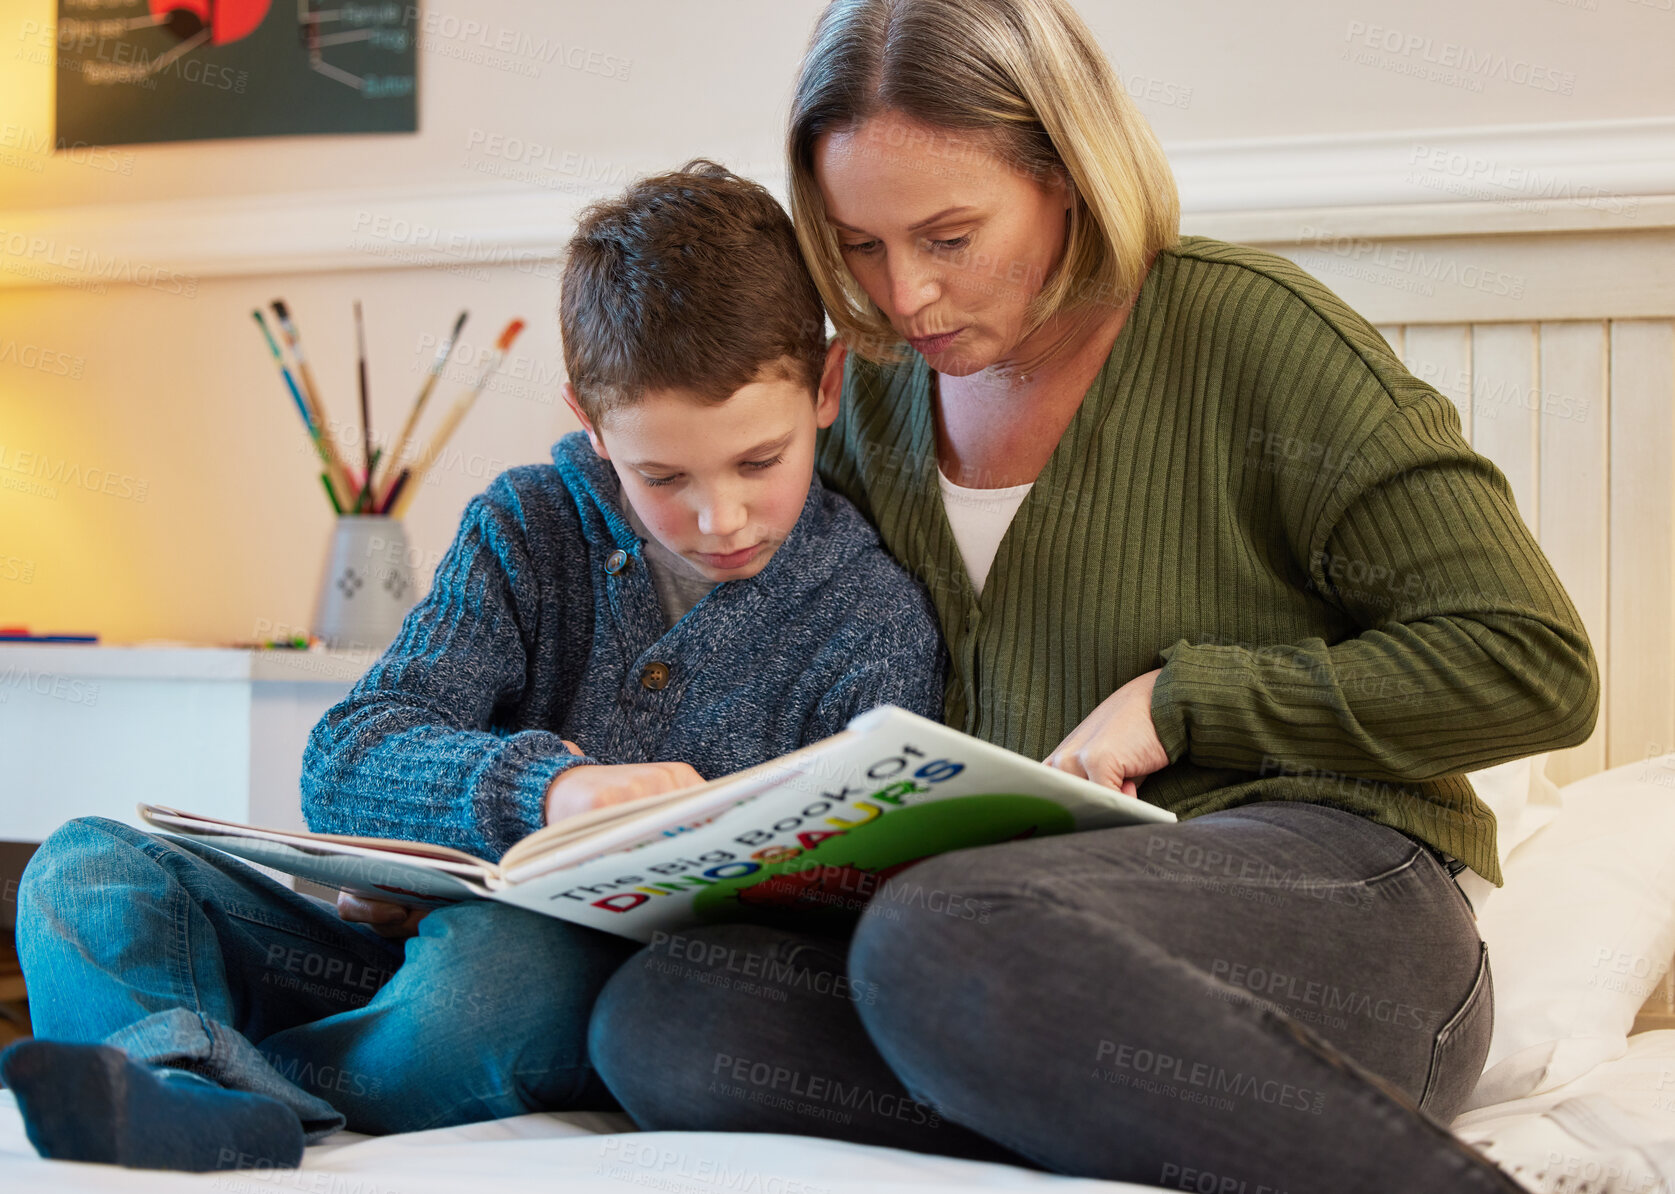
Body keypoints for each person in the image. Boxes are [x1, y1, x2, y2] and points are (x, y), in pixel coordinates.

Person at [584, 5, 1599, 1193]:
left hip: (1333, 907)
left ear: (1065, 173)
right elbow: (636, 509)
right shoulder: (854, 401)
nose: (905, 294)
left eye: (949, 236)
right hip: (1005, 937)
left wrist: (1183, 701)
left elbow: (1531, 665)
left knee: (946, 932)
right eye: (858, 246)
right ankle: (1093, 1095)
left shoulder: (1253, 335)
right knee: (669, 1014)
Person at [0, 160, 947, 1173]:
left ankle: (209, 1078)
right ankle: (188, 1095)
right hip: (380, 951)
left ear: (826, 387)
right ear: (588, 416)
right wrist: (553, 793)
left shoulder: (871, 621)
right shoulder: (527, 526)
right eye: (662, 476)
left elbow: (845, 919)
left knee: (502, 982)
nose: (720, 518)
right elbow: (350, 758)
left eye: (758, 463)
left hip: (526, 989)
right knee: (83, 869)